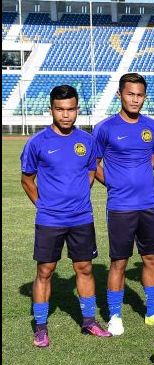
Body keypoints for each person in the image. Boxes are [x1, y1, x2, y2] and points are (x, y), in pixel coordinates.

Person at [21, 85, 112, 347]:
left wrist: (80, 195)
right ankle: (40, 327)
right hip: (50, 219)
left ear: (77, 110)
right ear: (51, 110)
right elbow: (27, 180)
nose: (65, 115)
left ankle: (89, 322)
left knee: (84, 268)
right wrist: (44, 205)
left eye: (70, 109)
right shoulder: (37, 143)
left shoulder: (87, 140)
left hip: (81, 217)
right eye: (60, 110)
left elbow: (91, 170)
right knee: (45, 270)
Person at [93, 72, 154, 334]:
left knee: (152, 258)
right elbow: (93, 165)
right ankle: (115, 315)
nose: (135, 99)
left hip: (148, 204)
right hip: (119, 207)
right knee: (119, 261)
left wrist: (137, 177)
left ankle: (152, 312)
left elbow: (153, 158)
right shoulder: (104, 128)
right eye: (130, 94)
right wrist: (115, 183)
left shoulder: (152, 127)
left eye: (140, 95)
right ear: (120, 94)